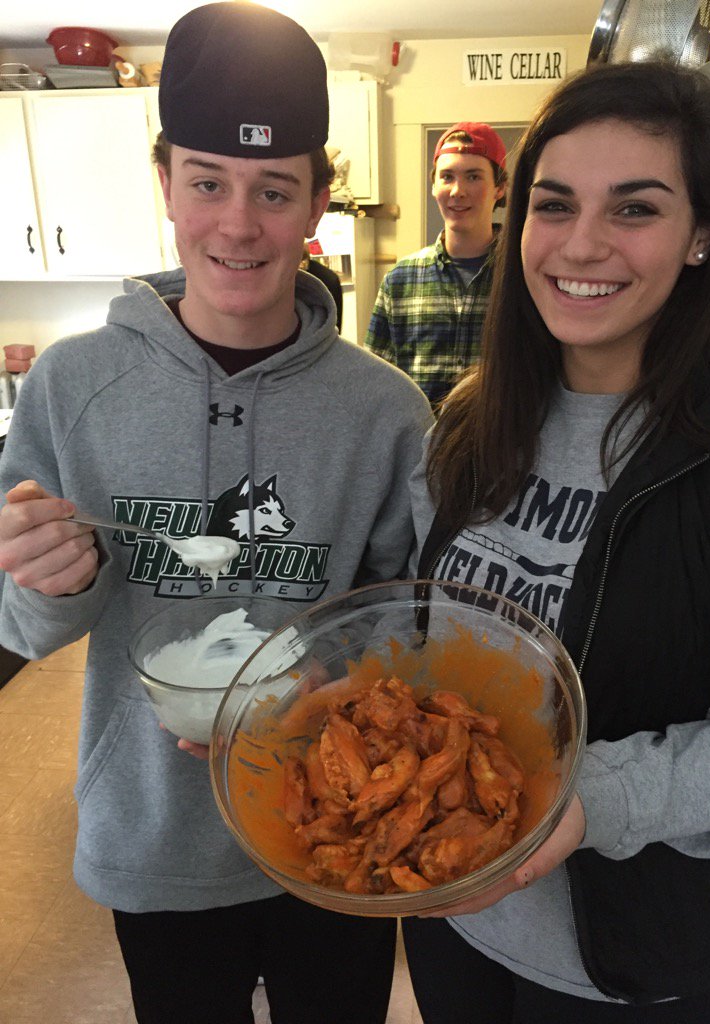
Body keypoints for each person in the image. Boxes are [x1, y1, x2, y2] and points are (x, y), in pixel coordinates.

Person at [0, 5, 432, 1024]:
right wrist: (45, 579)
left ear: (317, 200)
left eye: (274, 191)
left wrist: (342, 684)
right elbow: (26, 627)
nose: (237, 225)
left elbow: (407, 620)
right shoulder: (71, 385)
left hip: (335, 829)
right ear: (165, 183)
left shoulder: (384, 413)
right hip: (154, 837)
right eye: (206, 183)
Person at [404, 61, 710, 1023]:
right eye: (554, 204)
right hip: (455, 920)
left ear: (700, 237)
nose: (583, 244)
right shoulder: (471, 423)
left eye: (636, 209)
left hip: (643, 962)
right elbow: (421, 631)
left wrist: (584, 802)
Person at [365, 122, 507, 407]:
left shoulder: (523, 275)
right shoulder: (401, 280)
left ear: (500, 188)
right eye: (447, 177)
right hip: (418, 449)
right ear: (433, 187)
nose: (457, 191)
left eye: (473, 177)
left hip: (505, 448)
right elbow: (373, 383)